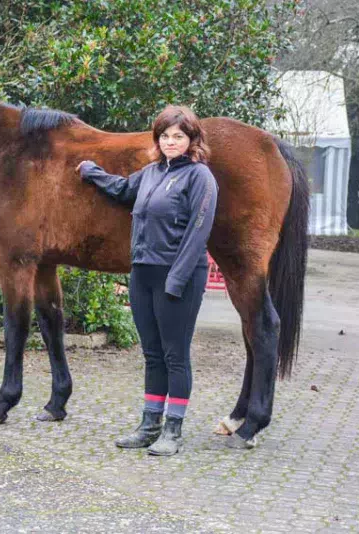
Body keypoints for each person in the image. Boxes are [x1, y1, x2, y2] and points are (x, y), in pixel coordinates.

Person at [76, 105, 217, 456]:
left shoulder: (200, 178)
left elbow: (199, 233)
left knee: (175, 355)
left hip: (178, 276)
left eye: (178, 136)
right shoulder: (152, 173)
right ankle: (149, 424)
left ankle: (173, 430)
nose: (171, 142)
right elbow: (124, 190)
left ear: (192, 139)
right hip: (143, 273)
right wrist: (92, 172)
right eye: (165, 136)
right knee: (152, 354)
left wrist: (177, 280)